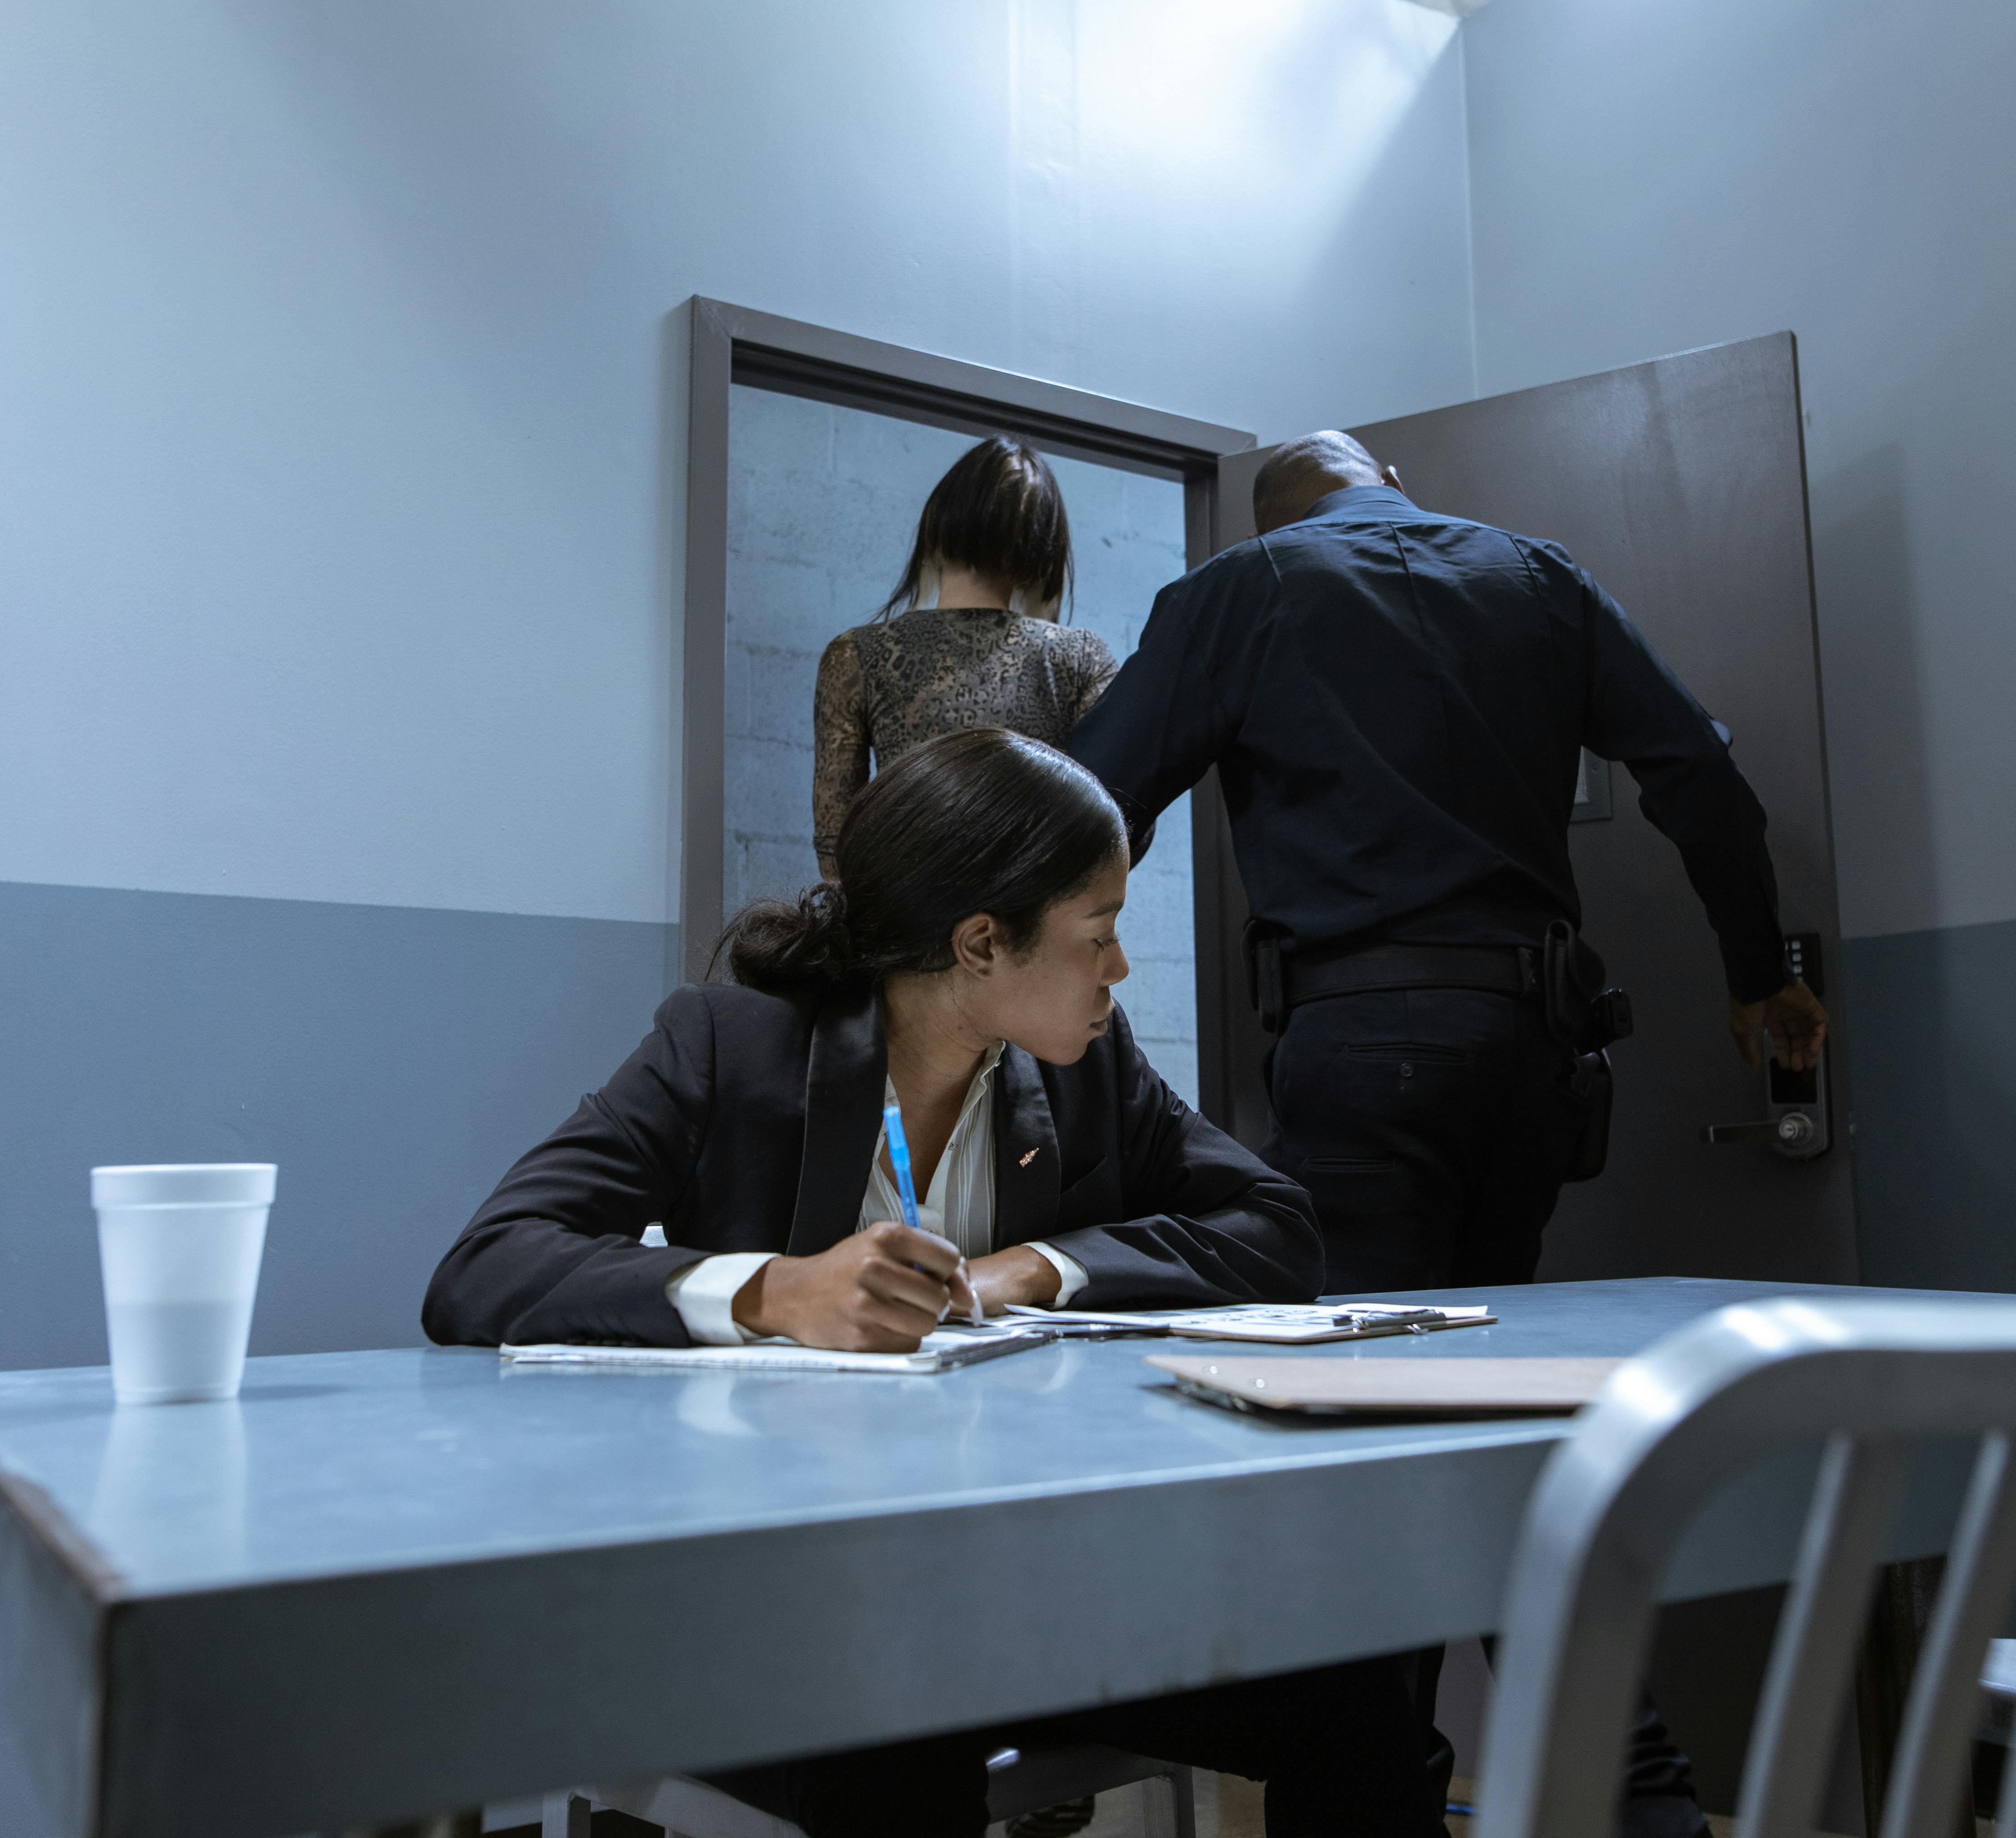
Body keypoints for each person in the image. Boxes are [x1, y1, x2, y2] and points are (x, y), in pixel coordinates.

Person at [423, 728, 1449, 1837]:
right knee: (899, 1720)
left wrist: (1039, 1268)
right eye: (1097, 933)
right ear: (979, 942)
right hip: (783, 1602)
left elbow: (1276, 1223)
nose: (1116, 969)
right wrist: (774, 1291)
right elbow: (486, 1263)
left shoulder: (1088, 1066)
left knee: (1350, 1689)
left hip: (1017, 1591)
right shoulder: (730, 1044)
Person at [1067, 431, 1831, 1837]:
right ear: (1391, 483)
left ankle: (1391, 1800)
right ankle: (1636, 1793)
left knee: (1366, 1464)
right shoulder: (1538, 578)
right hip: (1529, 1066)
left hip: (1362, 1063)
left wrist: (1035, 1001)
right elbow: (1700, 776)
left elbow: (1080, 804)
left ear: (1273, 510)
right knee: (1474, 1437)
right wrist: (1754, 972)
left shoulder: (1242, 589)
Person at [810, 436, 1118, 881]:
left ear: (936, 524)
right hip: (1035, 921)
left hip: (907, 920)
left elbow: (835, 850)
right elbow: (1114, 823)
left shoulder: (857, 656)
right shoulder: (1080, 658)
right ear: (1043, 548)